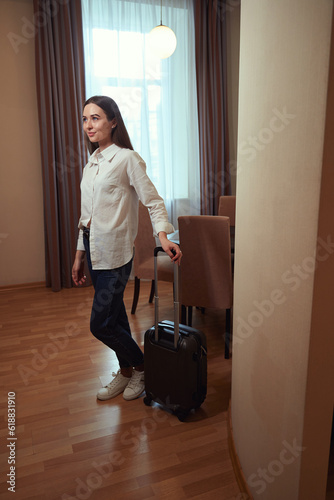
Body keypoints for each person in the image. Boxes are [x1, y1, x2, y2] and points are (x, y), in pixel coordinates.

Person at [72, 95, 181, 402]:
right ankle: (126, 371)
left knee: (100, 323)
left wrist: (163, 236)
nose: (89, 125)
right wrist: (79, 255)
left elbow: (153, 201)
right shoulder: (91, 164)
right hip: (93, 250)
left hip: (116, 253)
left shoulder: (127, 159)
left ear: (113, 121)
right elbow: (86, 218)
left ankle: (143, 367)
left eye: (95, 118)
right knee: (116, 316)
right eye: (84, 119)